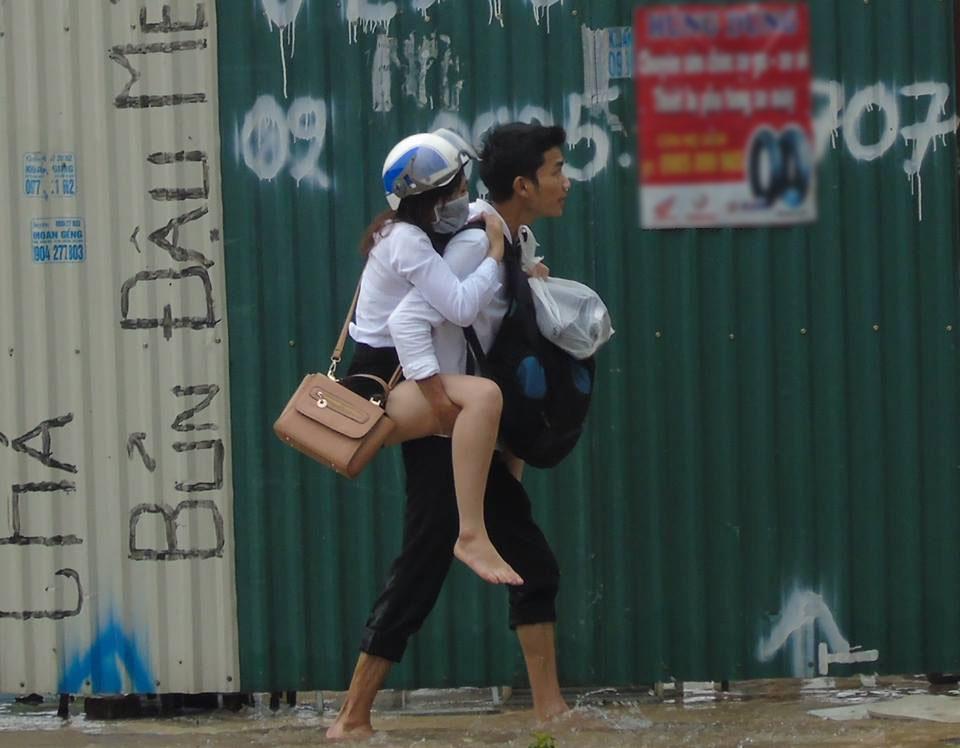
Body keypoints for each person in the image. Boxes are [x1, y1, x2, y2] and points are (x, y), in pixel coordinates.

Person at [327, 122, 573, 740]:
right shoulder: (471, 243)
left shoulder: (507, 235)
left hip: (461, 425)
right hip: (438, 418)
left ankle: (552, 713)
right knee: (426, 561)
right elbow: (417, 321)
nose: (565, 181)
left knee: (525, 563)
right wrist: (440, 403)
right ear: (524, 184)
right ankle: (351, 718)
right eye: (555, 170)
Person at [348, 129, 523, 586]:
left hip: (397, 376)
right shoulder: (408, 241)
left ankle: (494, 515)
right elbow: (459, 306)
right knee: (484, 398)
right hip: (379, 386)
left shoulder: (408, 231)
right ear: (430, 201)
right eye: (456, 189)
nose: (464, 196)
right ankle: (472, 533)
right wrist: (496, 255)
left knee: (429, 532)